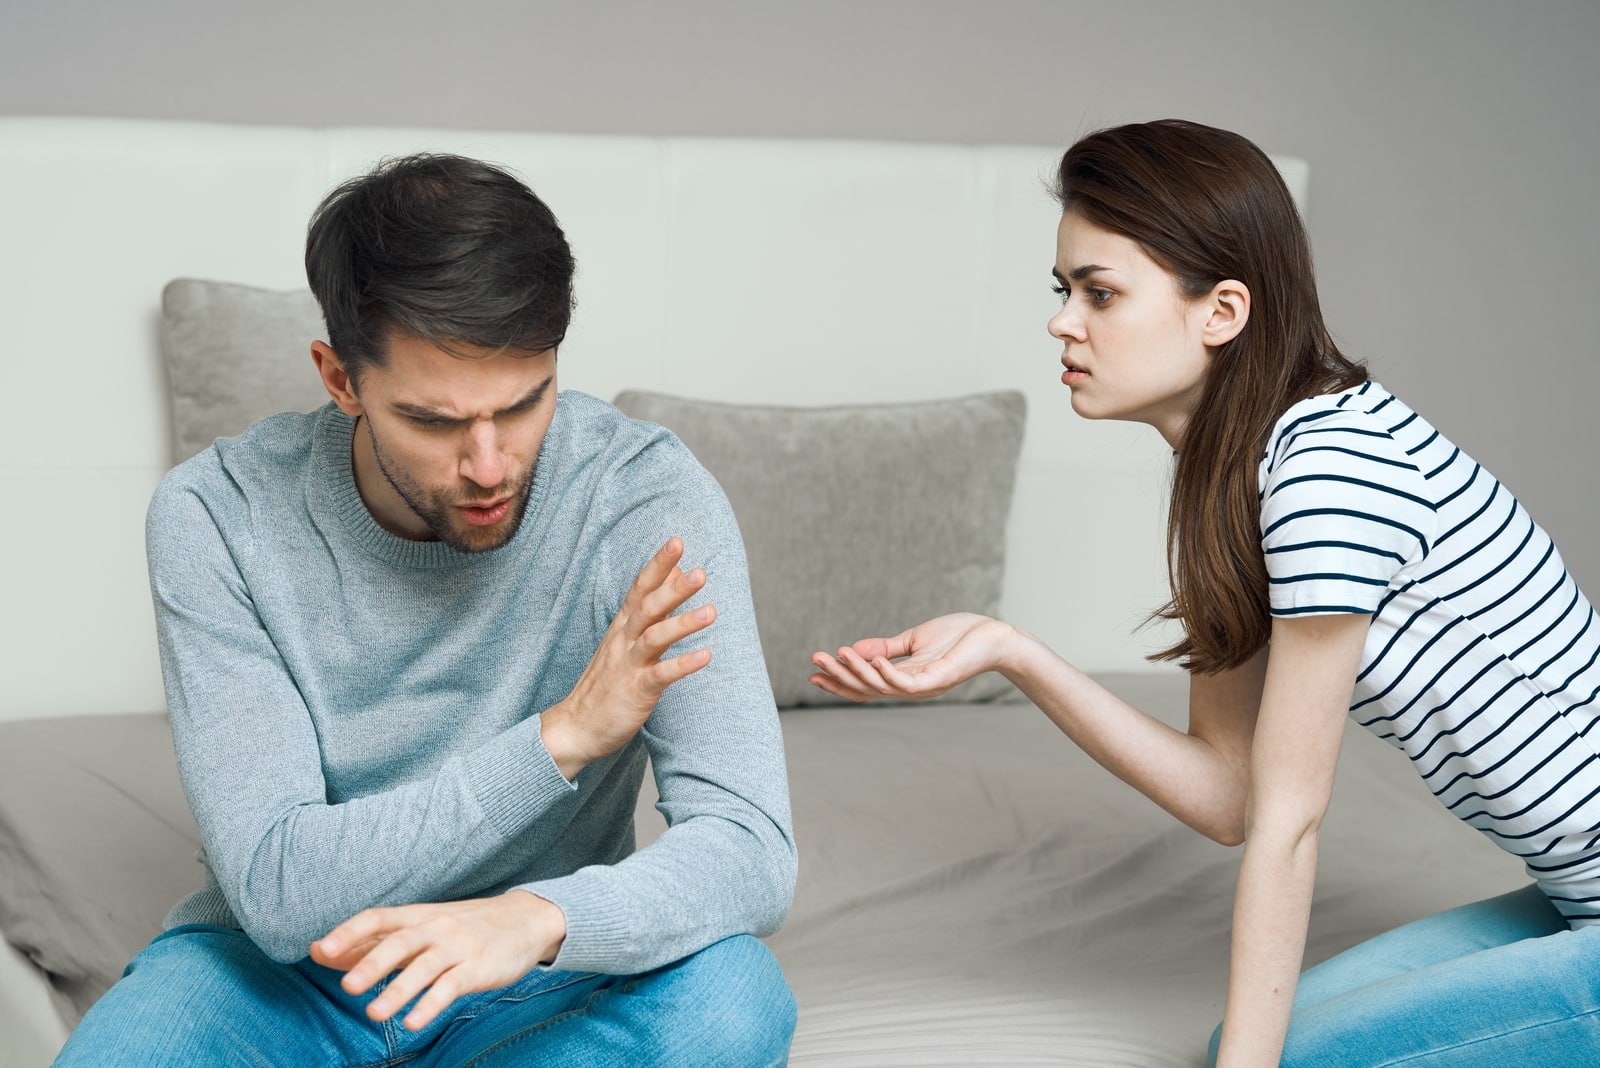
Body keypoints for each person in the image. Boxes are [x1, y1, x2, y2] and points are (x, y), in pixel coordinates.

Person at [810, 119, 1600, 1067]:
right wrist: (1011, 649)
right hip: (1573, 892)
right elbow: (1231, 794)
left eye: (1100, 293)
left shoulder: (1326, 471)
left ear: (1222, 310)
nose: (1063, 322)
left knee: (1280, 1057)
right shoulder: (1232, 481)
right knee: (1253, 1037)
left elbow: (1288, 819)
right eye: (1064, 291)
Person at [56, 153, 798, 1067]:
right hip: (285, 980)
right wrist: (558, 740)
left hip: (541, 967)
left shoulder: (641, 499)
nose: (490, 465)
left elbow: (750, 846)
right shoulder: (218, 516)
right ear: (340, 380)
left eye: (525, 405)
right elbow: (279, 887)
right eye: (436, 422)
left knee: (734, 1000)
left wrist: (537, 916)